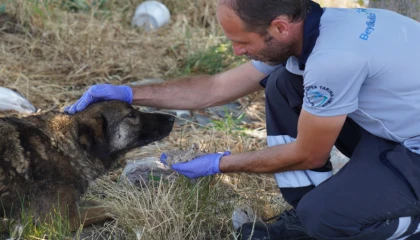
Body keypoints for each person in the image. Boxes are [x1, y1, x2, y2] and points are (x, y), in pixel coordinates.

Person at [65, 0, 420, 239]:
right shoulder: (315, 26)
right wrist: (126, 93)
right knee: (285, 82)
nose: (236, 52)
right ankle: (310, 208)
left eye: (240, 42)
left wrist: (220, 164)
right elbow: (215, 88)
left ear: (279, 28)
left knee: (325, 218)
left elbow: (308, 153)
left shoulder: (335, 59)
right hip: (396, 129)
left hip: (413, 147)